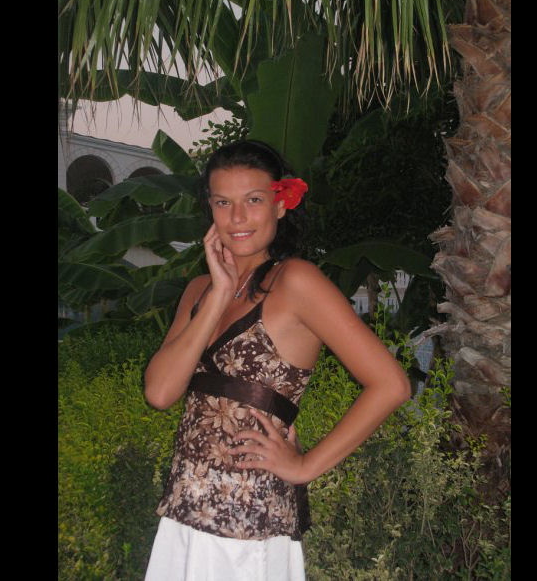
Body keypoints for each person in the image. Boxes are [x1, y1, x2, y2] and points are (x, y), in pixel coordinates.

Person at [143, 140, 411, 580]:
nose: (237, 218)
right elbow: (159, 393)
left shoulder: (296, 281)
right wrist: (218, 294)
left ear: (280, 204)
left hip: (250, 523)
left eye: (253, 200)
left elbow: (391, 384)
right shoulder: (198, 292)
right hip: (183, 513)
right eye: (223, 202)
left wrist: (305, 466)